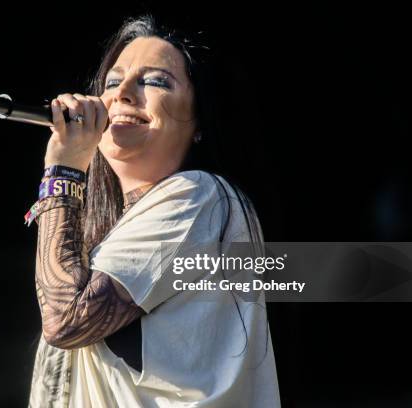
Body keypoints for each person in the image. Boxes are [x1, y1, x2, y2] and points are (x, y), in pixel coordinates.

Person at [26, 14, 280, 407]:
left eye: (156, 81)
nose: (123, 93)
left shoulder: (201, 197)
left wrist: (62, 172)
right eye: (113, 81)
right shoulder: (106, 237)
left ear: (200, 120)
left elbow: (67, 319)